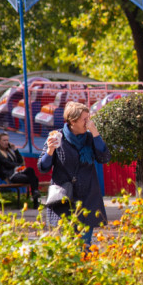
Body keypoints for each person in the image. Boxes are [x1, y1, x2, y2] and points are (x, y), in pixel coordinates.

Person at [38, 101, 110, 248]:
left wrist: (95, 133)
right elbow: (43, 167)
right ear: (72, 121)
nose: (88, 122)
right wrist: (50, 151)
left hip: (88, 197)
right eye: (84, 119)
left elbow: (104, 158)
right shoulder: (57, 137)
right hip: (64, 198)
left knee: (85, 244)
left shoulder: (90, 138)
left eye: (88, 118)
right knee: (68, 246)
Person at [0, 132, 41, 204]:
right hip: (10, 175)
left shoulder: (9, 151)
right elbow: (7, 164)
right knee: (34, 179)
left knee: (30, 170)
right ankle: (35, 200)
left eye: (7, 140)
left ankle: (35, 194)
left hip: (17, 172)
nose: (6, 142)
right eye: (4, 140)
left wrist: (15, 150)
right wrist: (18, 165)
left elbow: (20, 161)